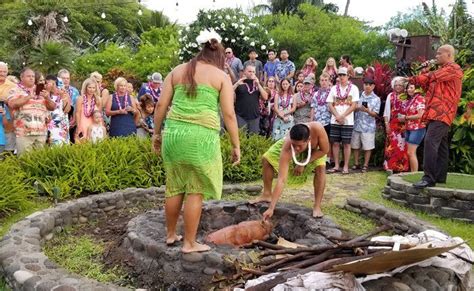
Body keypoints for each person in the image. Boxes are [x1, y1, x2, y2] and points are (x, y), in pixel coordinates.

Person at [152, 30, 240, 253]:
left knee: (174, 185)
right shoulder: (221, 77)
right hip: (201, 138)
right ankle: (189, 243)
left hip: (174, 134)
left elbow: (161, 106)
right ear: (219, 53)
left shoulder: (177, 70)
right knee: (195, 189)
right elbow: (229, 115)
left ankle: (171, 234)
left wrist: (156, 133)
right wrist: (236, 145)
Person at [410, 45, 463, 188]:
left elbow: (431, 77)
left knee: (430, 141)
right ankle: (440, 176)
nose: (436, 56)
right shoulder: (441, 71)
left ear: (449, 55)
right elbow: (428, 85)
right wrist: (422, 72)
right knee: (441, 146)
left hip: (443, 113)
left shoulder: (454, 69)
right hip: (435, 113)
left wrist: (414, 78)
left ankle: (429, 178)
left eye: (439, 53)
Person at [251, 123, 329, 219]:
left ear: (308, 140)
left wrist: (303, 163)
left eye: (299, 146)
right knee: (266, 158)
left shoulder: (318, 129)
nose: (296, 148)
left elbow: (325, 150)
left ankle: (317, 206)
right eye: (294, 145)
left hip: (317, 151)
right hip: (289, 146)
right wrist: (271, 208)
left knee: (321, 168)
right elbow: (281, 180)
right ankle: (267, 194)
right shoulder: (288, 145)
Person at [7, 68, 55, 155]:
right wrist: (28, 97)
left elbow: (52, 107)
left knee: (39, 161)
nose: (31, 78)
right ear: (22, 77)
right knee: (24, 162)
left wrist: (47, 97)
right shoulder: (15, 90)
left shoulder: (40, 90)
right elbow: (12, 104)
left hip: (41, 132)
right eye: (28, 76)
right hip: (24, 132)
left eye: (33, 76)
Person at [326, 67, 359, 174]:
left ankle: (345, 166)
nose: (341, 77)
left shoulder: (354, 88)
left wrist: (343, 116)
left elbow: (354, 105)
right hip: (335, 119)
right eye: (339, 75)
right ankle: (336, 165)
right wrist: (337, 116)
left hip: (348, 120)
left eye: (343, 75)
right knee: (335, 143)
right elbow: (330, 103)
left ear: (348, 76)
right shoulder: (334, 88)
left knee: (346, 144)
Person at [351, 78, 380, 173]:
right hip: (357, 124)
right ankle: (356, 163)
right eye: (365, 84)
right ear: (363, 85)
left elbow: (376, 114)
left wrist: (367, 111)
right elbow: (352, 108)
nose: (367, 86)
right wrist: (357, 108)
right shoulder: (358, 96)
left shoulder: (376, 99)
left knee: (368, 147)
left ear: (373, 86)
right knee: (355, 145)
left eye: (369, 84)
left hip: (368, 127)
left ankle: (365, 165)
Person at [383, 77, 409, 173]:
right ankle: (389, 167)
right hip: (393, 124)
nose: (398, 87)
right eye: (396, 85)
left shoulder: (407, 96)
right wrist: (387, 125)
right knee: (392, 146)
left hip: (404, 125)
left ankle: (402, 168)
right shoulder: (391, 95)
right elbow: (386, 112)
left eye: (400, 85)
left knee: (403, 146)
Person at [233, 65, 268, 135]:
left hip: (254, 116)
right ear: (245, 72)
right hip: (241, 116)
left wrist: (258, 84)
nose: (252, 73)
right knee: (241, 138)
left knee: (254, 139)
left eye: (253, 72)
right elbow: (228, 93)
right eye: (249, 71)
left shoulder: (258, 83)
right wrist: (237, 84)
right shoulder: (239, 82)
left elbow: (265, 97)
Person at [399, 83, 426, 172]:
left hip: (417, 128)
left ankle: (414, 174)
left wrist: (406, 118)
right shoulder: (410, 100)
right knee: (410, 153)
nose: (409, 90)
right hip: (409, 128)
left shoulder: (420, 99)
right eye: (408, 88)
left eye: (411, 88)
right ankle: (412, 173)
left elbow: (420, 115)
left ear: (417, 89)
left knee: (411, 152)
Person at [311, 73, 332, 165]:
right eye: (322, 80)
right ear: (319, 82)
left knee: (328, 141)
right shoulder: (316, 94)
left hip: (328, 120)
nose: (324, 82)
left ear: (329, 81)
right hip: (317, 121)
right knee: (316, 142)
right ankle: (316, 160)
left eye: (326, 80)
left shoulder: (332, 93)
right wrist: (311, 121)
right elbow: (313, 107)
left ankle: (327, 159)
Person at [45, 75, 71, 145]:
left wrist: (63, 98)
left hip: (62, 124)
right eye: (48, 84)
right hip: (50, 124)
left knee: (63, 145)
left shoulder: (64, 93)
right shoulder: (45, 94)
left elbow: (67, 110)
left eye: (52, 84)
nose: (51, 86)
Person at [75, 78, 102, 142]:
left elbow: (99, 114)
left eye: (93, 88)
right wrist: (78, 126)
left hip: (95, 125)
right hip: (83, 124)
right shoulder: (80, 99)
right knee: (82, 143)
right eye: (89, 87)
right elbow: (77, 113)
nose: (91, 90)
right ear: (85, 88)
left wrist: (101, 127)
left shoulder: (98, 100)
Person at [58, 69, 80, 144]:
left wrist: (74, 120)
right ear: (58, 78)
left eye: (68, 78)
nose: (66, 80)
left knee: (71, 143)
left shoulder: (75, 91)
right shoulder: (54, 90)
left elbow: (77, 106)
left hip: (72, 121)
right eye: (63, 78)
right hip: (58, 121)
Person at [0, 62, 17, 153]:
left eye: (4, 71)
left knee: (8, 153)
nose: (2, 73)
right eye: (0, 71)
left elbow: (16, 104)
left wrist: (6, 101)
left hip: (8, 125)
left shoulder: (13, 86)